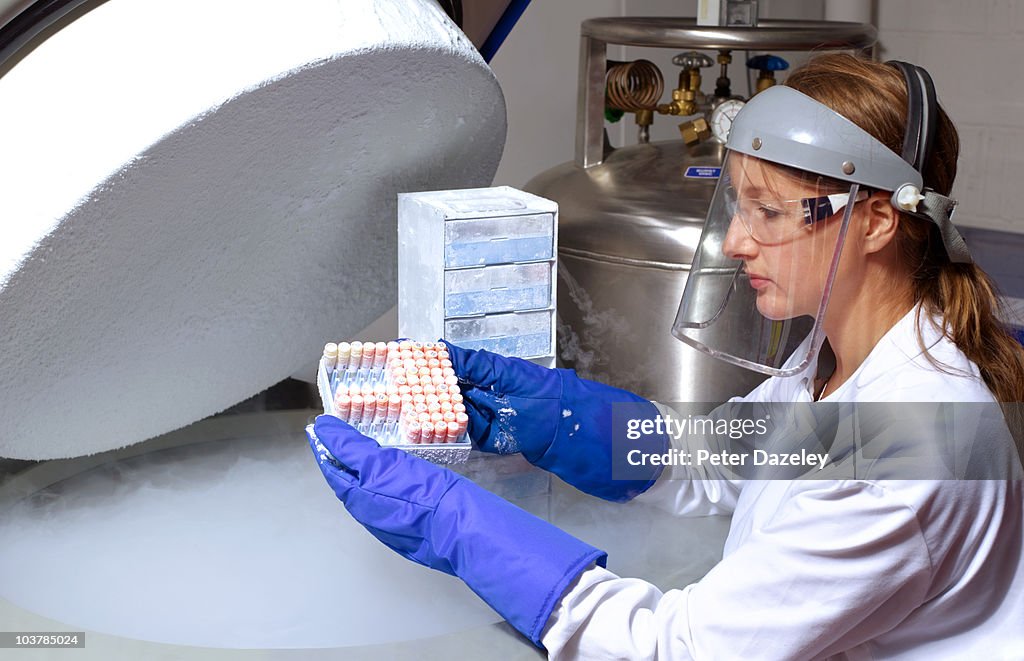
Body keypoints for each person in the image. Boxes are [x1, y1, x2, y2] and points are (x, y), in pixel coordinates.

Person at [306, 54, 1024, 659]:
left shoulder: (915, 445)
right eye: (736, 206)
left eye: (768, 212)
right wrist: (567, 420)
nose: (738, 241)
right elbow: (723, 456)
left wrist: (457, 523)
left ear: (873, 221)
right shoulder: (841, 358)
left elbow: (674, 647)